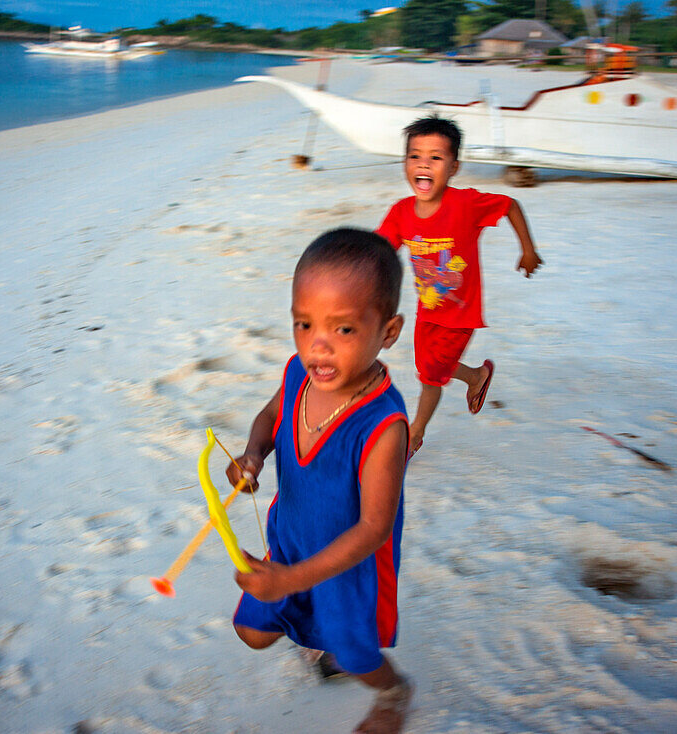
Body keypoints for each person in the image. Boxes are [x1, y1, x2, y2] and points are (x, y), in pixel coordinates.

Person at [226, 228, 413, 733]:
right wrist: (252, 454)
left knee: (356, 655)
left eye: (344, 330)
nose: (318, 347)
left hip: (347, 565)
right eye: (304, 325)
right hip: (291, 537)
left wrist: (290, 581)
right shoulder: (297, 375)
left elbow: (374, 528)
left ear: (388, 332)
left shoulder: (382, 426)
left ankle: (394, 692)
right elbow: (271, 415)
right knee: (252, 631)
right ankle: (317, 630)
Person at [376, 115, 543, 457]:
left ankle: (415, 433)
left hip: (461, 313)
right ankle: (477, 377)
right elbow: (377, 254)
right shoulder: (401, 212)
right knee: (429, 366)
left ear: (453, 167)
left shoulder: (465, 204)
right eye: (415, 155)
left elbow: (510, 205)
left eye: (435, 157)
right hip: (428, 309)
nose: (424, 164)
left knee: (430, 377)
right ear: (405, 162)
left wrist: (528, 250)